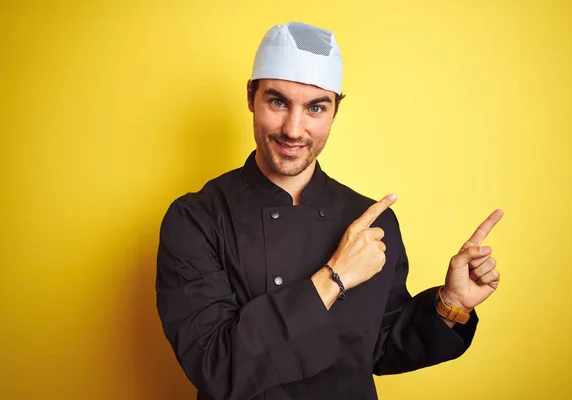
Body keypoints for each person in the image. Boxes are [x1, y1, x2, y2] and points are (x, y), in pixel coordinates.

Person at [156, 21, 503, 400]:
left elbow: (381, 347)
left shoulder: (371, 221)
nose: (294, 129)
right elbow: (215, 364)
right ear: (251, 96)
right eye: (277, 102)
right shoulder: (196, 219)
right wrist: (335, 277)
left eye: (315, 108)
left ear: (335, 110)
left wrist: (451, 305)